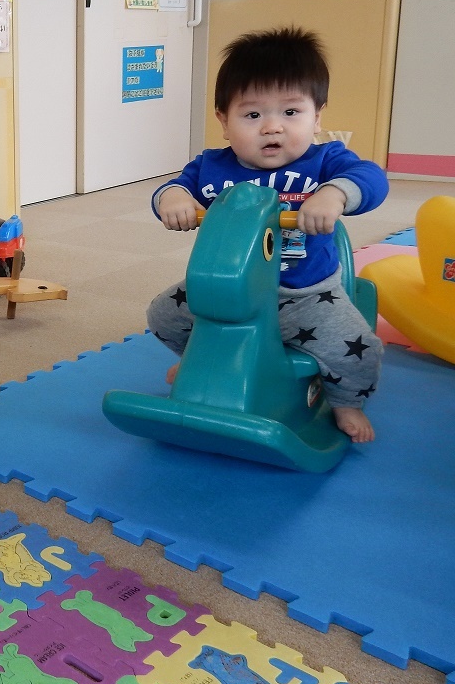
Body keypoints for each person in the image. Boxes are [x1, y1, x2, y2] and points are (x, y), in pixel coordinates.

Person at [147, 27, 387, 443]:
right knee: (163, 313)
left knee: (359, 347)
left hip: (306, 294)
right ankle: (197, 361)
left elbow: (371, 179)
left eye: (291, 113)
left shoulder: (325, 161)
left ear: (318, 116)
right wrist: (172, 199)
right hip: (227, 291)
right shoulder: (212, 166)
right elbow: (174, 188)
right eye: (253, 115)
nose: (272, 128)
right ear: (224, 121)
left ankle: (346, 401)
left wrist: (333, 194)